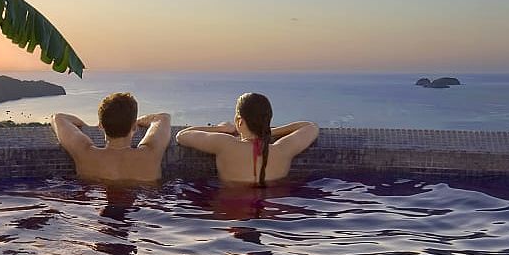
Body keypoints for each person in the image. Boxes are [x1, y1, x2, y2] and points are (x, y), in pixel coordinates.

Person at [175, 92, 318, 186]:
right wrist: (268, 132)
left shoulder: (225, 144)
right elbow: (310, 127)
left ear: (239, 121)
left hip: (230, 211)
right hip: (272, 215)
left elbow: (181, 136)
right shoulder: (284, 149)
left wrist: (222, 129)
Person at [51, 92, 171, 182]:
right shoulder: (151, 153)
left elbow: (58, 118)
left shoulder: (85, 153)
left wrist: (85, 126)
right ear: (134, 126)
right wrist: (132, 121)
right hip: (143, 213)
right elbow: (162, 118)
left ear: (101, 126)